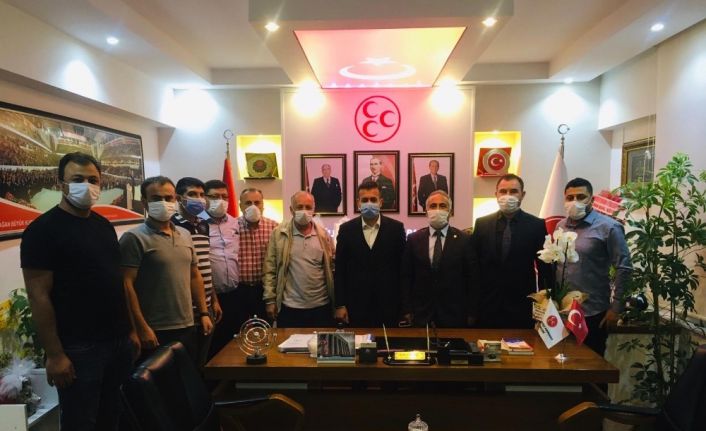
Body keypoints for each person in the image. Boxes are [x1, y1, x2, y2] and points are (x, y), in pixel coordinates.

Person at [21, 152, 136, 431]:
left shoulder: (103, 225)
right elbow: (38, 295)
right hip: (79, 349)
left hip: (117, 340)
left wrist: (131, 331)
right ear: (60, 183)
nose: (87, 185)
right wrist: (55, 354)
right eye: (77, 179)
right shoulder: (42, 231)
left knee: (112, 416)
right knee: (80, 422)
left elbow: (116, 281)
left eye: (93, 180)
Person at [120, 176, 213, 366]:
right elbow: (126, 284)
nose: (163, 203)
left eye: (168, 198)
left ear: (175, 200)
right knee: (157, 382)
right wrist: (140, 327)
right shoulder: (133, 238)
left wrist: (203, 313)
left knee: (188, 376)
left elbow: (194, 276)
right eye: (156, 198)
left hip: (187, 324)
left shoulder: (185, 234)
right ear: (144, 202)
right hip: (155, 329)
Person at [557, 177, 632, 356]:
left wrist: (616, 308)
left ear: (592, 199)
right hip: (562, 312)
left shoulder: (609, 227)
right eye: (570, 197)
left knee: (592, 365)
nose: (575, 201)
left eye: (581, 196)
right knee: (561, 364)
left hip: (592, 313)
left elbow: (624, 267)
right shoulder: (560, 226)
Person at [472, 174, 553, 328]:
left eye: (513, 191)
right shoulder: (482, 224)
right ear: (496, 194)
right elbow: (474, 266)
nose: (508, 196)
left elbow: (544, 269)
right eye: (503, 191)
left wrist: (545, 304)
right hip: (487, 305)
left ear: (522, 194)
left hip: (522, 305)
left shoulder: (536, 225)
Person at [334, 181, 407, 327]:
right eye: (365, 200)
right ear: (358, 203)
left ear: (381, 202)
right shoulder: (346, 230)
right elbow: (340, 270)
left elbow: (403, 270)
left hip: (389, 305)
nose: (369, 203)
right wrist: (340, 304)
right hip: (356, 306)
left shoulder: (396, 229)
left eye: (373, 199)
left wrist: (405, 307)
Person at [401, 190, 478, 327]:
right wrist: (407, 309)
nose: (437, 210)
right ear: (426, 211)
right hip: (421, 313)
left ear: (450, 211)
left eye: (442, 206)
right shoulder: (413, 239)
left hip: (454, 313)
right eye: (433, 206)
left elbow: (472, 278)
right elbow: (406, 276)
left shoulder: (465, 240)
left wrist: (472, 312)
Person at [263, 191, 335, 327]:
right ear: (291, 210)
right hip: (290, 308)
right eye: (300, 207)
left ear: (314, 210)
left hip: (321, 307)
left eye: (308, 207)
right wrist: (270, 300)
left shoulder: (324, 235)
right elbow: (270, 269)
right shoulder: (279, 234)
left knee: (320, 341)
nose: (304, 211)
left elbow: (332, 268)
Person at [171, 177, 222, 368]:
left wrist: (214, 299)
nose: (199, 199)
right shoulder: (172, 226)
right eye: (192, 194)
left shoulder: (203, 224)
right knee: (185, 363)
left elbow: (204, 265)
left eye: (201, 195)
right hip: (186, 309)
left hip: (206, 305)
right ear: (179, 198)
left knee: (203, 360)